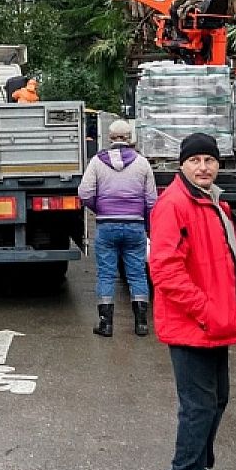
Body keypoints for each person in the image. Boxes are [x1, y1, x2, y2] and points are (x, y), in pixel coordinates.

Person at [148, 132, 236, 470]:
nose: (203, 167)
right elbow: (165, 269)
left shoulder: (212, 202)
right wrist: (205, 311)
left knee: (216, 401)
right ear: (182, 165)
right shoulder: (174, 205)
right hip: (194, 324)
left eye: (209, 160)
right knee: (198, 407)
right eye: (195, 161)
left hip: (214, 323)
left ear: (218, 164)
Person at [78, 119, 158, 337]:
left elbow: (84, 193)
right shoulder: (142, 163)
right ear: (129, 137)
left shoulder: (96, 162)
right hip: (135, 226)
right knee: (137, 274)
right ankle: (141, 324)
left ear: (110, 137)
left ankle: (106, 324)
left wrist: (100, 208)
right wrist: (148, 225)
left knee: (106, 274)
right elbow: (152, 200)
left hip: (106, 225)